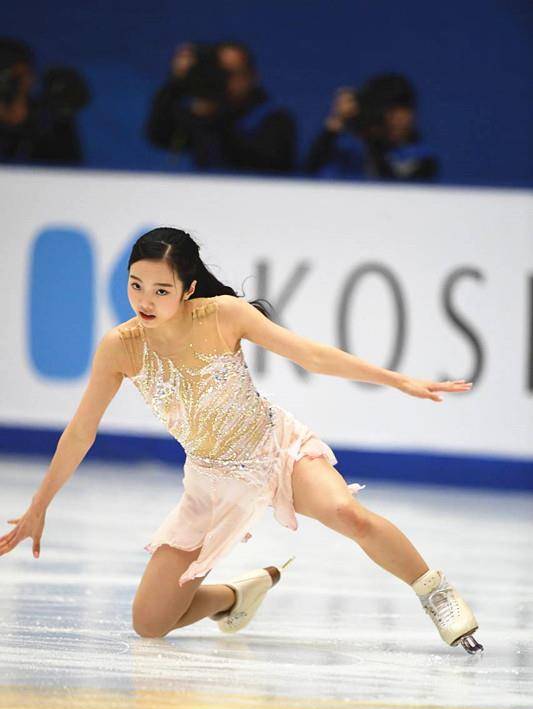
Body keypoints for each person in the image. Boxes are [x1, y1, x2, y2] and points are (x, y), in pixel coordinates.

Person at [0, 228, 483, 654]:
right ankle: (237, 595)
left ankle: (434, 592)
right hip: (210, 480)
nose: (145, 300)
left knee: (346, 514)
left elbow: (310, 355)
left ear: (188, 289)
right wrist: (41, 504)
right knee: (149, 624)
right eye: (135, 285)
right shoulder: (120, 347)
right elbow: (81, 431)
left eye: (161, 289)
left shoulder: (223, 315)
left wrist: (397, 380)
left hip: (273, 449)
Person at [145, 41, 296, 174]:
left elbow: (267, 164)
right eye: (220, 72)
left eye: (232, 73)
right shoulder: (198, 113)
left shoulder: (274, 119)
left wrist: (216, 120)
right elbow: (159, 135)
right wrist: (177, 81)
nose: (226, 81)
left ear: (252, 76)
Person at [0, 37, 89, 165]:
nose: (12, 83)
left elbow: (69, 174)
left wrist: (63, 116)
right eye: (5, 76)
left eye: (20, 76)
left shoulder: (47, 122)